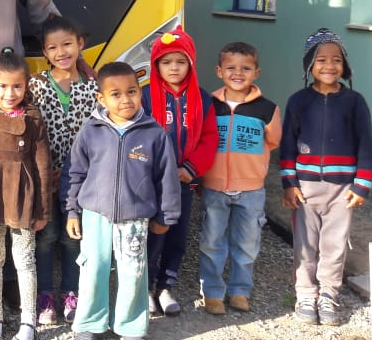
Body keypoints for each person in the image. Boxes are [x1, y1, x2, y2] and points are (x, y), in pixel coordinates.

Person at [64, 61, 180, 340]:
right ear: (101, 98)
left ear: (140, 92)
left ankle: (130, 327)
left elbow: (167, 178)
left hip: (135, 218)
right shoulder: (90, 131)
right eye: (115, 94)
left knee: (133, 273)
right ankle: (90, 323)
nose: (125, 99)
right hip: (95, 215)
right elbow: (75, 173)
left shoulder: (154, 133)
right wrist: (72, 211)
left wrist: (166, 216)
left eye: (132, 91)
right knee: (93, 269)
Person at [280, 28, 372, 326]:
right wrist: (289, 183)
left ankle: (329, 294)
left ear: (345, 65)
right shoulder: (298, 101)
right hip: (305, 189)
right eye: (321, 60)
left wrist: (362, 185)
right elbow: (287, 144)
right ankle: (306, 294)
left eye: (336, 60)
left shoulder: (355, 102)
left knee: (334, 245)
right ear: (309, 65)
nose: (329, 66)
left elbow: (366, 143)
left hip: (343, 190)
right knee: (305, 245)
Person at [0, 49, 52, 340]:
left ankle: (28, 322)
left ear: (26, 85)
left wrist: (43, 208)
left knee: (25, 260)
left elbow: (42, 165)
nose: (9, 93)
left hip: (23, 199)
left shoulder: (33, 118)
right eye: (2, 86)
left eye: (17, 86)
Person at [199, 41, 281, 315]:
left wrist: (252, 166)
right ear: (219, 71)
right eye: (231, 67)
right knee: (212, 241)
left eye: (246, 68)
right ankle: (212, 293)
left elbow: (272, 141)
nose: (238, 73)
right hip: (214, 187)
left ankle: (239, 291)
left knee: (246, 242)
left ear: (256, 73)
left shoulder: (267, 109)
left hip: (251, 190)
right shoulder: (209, 105)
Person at [141, 26, 218, 316]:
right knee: (152, 235)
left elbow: (210, 138)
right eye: (166, 62)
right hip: (152, 182)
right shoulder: (145, 97)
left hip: (184, 181)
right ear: (156, 64)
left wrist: (191, 168)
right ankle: (145, 287)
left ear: (191, 64)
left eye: (180, 61)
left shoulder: (203, 99)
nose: (173, 67)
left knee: (177, 236)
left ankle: (165, 286)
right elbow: (138, 137)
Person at [28, 16, 98, 325]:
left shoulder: (94, 87)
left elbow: (98, 135)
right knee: (46, 236)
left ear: (80, 44)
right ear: (45, 52)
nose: (61, 52)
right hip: (45, 177)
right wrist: (43, 170)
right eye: (53, 47)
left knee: (73, 237)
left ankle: (72, 291)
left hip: (82, 179)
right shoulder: (37, 85)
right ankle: (45, 295)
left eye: (67, 44)